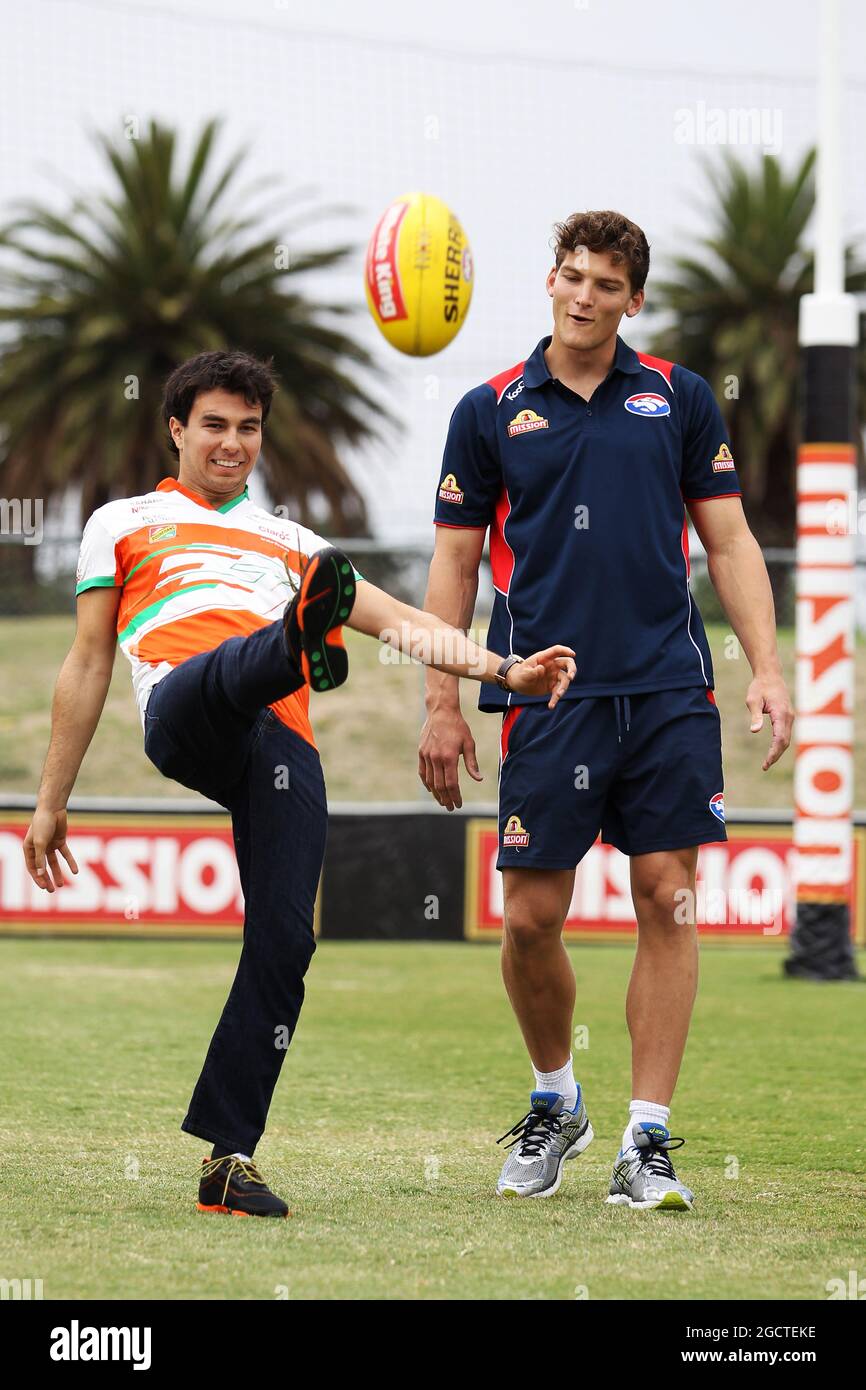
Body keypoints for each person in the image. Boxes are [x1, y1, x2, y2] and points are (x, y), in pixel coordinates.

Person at [23, 349, 576, 1218]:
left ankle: (228, 1161)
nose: (232, 443)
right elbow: (89, 660)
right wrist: (51, 803)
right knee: (241, 665)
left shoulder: (295, 544)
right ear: (176, 428)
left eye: (248, 428)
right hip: (185, 706)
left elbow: (405, 624)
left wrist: (505, 672)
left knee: (286, 941)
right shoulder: (120, 522)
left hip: (279, 743)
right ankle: (296, 642)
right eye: (214, 425)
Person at [418, 211, 794, 1210]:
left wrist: (763, 666)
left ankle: (646, 1137)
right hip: (543, 693)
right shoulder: (489, 408)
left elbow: (729, 543)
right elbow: (453, 563)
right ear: (549, 280)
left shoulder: (677, 397)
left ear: (632, 299)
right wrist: (443, 703)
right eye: (571, 276)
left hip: (668, 690)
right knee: (531, 916)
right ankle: (556, 1100)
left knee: (666, 891)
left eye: (605, 283)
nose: (583, 296)